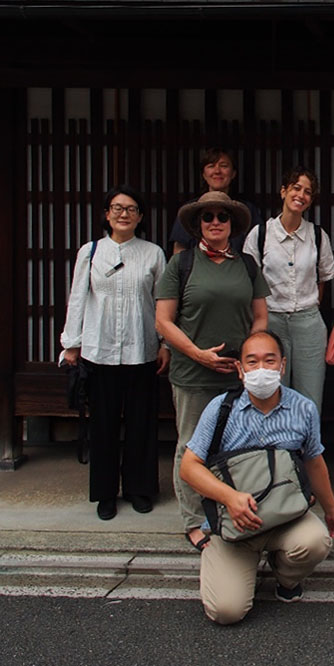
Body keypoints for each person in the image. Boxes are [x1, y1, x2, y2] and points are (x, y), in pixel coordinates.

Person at [180, 330, 334, 624]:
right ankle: (236, 563)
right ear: (240, 369)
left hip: (286, 517)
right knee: (226, 612)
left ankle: (285, 577)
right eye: (252, 362)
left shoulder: (303, 408)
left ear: (283, 366)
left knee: (316, 541)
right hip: (235, 525)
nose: (261, 369)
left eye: (269, 361)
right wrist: (229, 498)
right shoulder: (220, 408)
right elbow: (189, 466)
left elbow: (314, 461)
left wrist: (332, 511)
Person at [156, 191, 270, 552]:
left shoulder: (247, 264)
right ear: (199, 224)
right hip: (193, 373)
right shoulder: (182, 264)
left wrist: (250, 359)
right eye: (208, 217)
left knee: (237, 443)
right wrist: (196, 354)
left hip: (237, 373)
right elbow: (163, 321)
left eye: (223, 216)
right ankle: (193, 520)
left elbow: (261, 316)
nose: (216, 222)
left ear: (232, 224)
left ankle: (232, 508)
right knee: (191, 445)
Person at [60, 185, 168, 520]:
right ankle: (105, 493)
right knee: (103, 425)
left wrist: (164, 344)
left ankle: (139, 489)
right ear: (106, 214)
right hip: (99, 350)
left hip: (141, 349)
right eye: (117, 208)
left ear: (140, 216)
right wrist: (71, 343)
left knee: (141, 424)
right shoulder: (90, 252)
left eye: (131, 208)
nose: (124, 214)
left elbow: (162, 303)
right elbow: (78, 298)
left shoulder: (153, 253)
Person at [243, 165, 334, 414]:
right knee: (272, 392)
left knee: (310, 395)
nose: (301, 195)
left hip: (308, 321)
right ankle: (277, 450)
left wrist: (310, 305)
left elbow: (323, 278)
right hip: (271, 319)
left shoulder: (317, 235)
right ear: (283, 191)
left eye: (307, 192)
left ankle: (309, 452)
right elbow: (249, 281)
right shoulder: (260, 234)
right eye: (296, 188)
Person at [169, 147, 262, 255]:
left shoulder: (246, 210)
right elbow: (180, 247)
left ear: (233, 173)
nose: (217, 171)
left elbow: (258, 245)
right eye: (211, 166)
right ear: (204, 174)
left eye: (224, 166)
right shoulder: (191, 209)